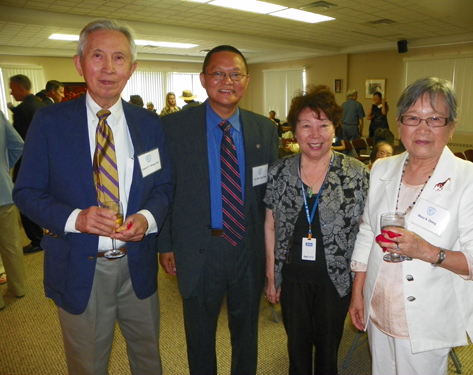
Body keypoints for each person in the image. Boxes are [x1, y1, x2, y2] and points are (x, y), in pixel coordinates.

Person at [13, 19, 173, 375]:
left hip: (138, 263)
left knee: (149, 360)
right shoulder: (50, 122)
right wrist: (76, 219)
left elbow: (163, 186)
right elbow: (25, 192)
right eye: (97, 55)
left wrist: (147, 219)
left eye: (119, 58)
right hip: (78, 264)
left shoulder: (149, 123)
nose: (108, 67)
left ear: (132, 69)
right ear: (79, 62)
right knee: (87, 365)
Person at [349, 76, 473, 375]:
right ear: (399, 123)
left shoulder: (471, 179)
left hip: (427, 317)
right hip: (380, 307)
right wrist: (358, 292)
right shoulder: (382, 168)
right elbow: (367, 232)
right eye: (413, 118)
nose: (422, 128)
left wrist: (428, 251)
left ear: (452, 126)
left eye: (435, 119)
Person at [159, 45, 278, 375]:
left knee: (246, 334)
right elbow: (164, 189)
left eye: (236, 74)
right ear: (203, 79)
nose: (227, 81)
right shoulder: (174, 128)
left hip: (248, 247)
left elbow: (271, 195)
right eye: (218, 73)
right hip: (200, 247)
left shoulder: (263, 130)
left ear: (247, 80)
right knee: (199, 336)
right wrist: (165, 244)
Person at [265, 85, 368, 375]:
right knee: (296, 351)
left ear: (334, 129)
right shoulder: (280, 172)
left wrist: (358, 288)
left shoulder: (355, 173)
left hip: (335, 279)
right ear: (293, 131)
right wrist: (271, 275)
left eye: (323, 125)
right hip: (293, 277)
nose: (315, 134)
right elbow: (270, 225)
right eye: (306, 125)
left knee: (327, 352)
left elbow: (366, 233)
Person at [8, 74, 46, 253]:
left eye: (12, 88)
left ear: (21, 88)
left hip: (29, 164)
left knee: (26, 201)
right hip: (47, 163)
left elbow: (20, 144)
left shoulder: (23, 110)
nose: (10, 92)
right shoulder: (41, 104)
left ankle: (36, 239)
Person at [0, 110, 25, 311]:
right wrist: (3, 167)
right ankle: (18, 288)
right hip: (4, 191)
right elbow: (18, 144)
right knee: (11, 244)